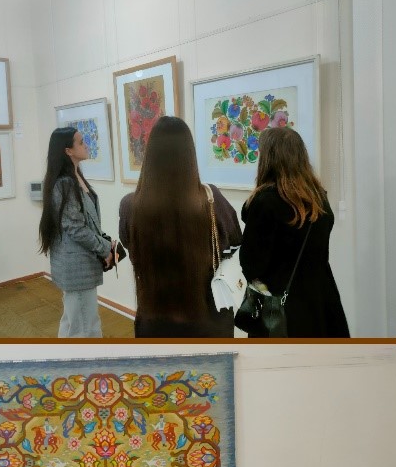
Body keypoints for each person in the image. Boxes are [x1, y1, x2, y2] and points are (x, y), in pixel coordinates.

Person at [118, 116, 242, 337]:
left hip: (153, 320)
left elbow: (130, 245)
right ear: (189, 156)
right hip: (208, 321)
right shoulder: (212, 200)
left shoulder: (131, 206)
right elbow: (234, 242)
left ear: (150, 156)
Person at [237, 127, 349, 337]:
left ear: (268, 160)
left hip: (282, 310)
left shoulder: (265, 202)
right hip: (321, 301)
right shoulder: (319, 199)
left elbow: (252, 265)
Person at [38, 126, 114, 337]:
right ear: (68, 150)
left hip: (81, 261)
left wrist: (105, 244)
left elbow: (86, 222)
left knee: (73, 321)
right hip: (76, 265)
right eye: (81, 142)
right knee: (85, 327)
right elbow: (76, 228)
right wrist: (105, 248)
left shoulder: (75, 176)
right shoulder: (65, 184)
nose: (86, 145)